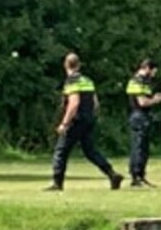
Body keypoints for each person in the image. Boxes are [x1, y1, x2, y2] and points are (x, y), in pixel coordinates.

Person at [48, 54, 123, 192]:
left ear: (65, 65)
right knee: (90, 151)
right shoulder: (87, 80)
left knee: (61, 150)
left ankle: (57, 183)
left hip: (76, 121)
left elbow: (74, 103)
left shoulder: (72, 81)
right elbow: (95, 103)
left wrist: (64, 123)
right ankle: (112, 174)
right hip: (88, 119)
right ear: (79, 65)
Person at [124, 59, 161, 188]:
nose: (153, 75)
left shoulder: (145, 82)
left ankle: (141, 175)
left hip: (144, 116)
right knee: (138, 147)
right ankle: (136, 176)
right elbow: (142, 102)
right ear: (147, 68)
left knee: (144, 148)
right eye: (153, 71)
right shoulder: (137, 81)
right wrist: (155, 100)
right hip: (138, 116)